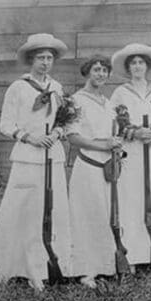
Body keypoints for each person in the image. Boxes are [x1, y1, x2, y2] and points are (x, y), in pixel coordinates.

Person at [0, 33, 71, 291]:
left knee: (52, 210)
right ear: (31, 60)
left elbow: (65, 121)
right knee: (24, 210)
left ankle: (52, 266)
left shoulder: (57, 87)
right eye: (40, 58)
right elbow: (5, 124)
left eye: (49, 58)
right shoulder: (18, 87)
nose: (45, 62)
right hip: (27, 157)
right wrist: (30, 138)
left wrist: (57, 133)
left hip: (52, 156)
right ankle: (15, 266)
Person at [109, 43, 151, 272]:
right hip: (132, 153)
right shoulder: (120, 93)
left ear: (148, 66)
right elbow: (114, 123)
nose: (137, 66)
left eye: (141, 62)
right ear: (128, 68)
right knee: (132, 198)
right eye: (133, 63)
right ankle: (133, 256)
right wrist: (133, 132)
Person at [66, 55, 123, 288]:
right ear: (87, 72)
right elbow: (73, 137)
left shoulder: (108, 103)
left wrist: (116, 144)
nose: (100, 74)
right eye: (96, 70)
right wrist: (103, 145)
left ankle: (105, 266)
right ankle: (84, 270)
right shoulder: (76, 100)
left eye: (104, 71)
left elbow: (113, 133)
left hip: (108, 166)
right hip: (88, 163)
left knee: (104, 214)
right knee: (85, 215)